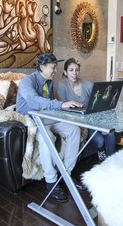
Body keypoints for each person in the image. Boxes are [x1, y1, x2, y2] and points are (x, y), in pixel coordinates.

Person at [16, 53, 84, 203]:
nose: (55, 71)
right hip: (31, 119)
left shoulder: (49, 82)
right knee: (48, 137)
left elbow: (49, 103)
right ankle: (51, 181)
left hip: (47, 116)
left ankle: (66, 174)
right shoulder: (26, 82)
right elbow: (34, 102)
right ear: (42, 67)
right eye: (53, 67)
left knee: (74, 130)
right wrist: (60, 104)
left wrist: (65, 108)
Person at [57, 58, 117, 162]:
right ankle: (101, 152)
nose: (74, 73)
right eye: (71, 70)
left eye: (77, 70)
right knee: (99, 141)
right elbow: (63, 107)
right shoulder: (62, 85)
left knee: (110, 132)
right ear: (65, 72)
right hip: (77, 121)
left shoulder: (88, 84)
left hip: (92, 118)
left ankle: (113, 160)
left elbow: (98, 101)